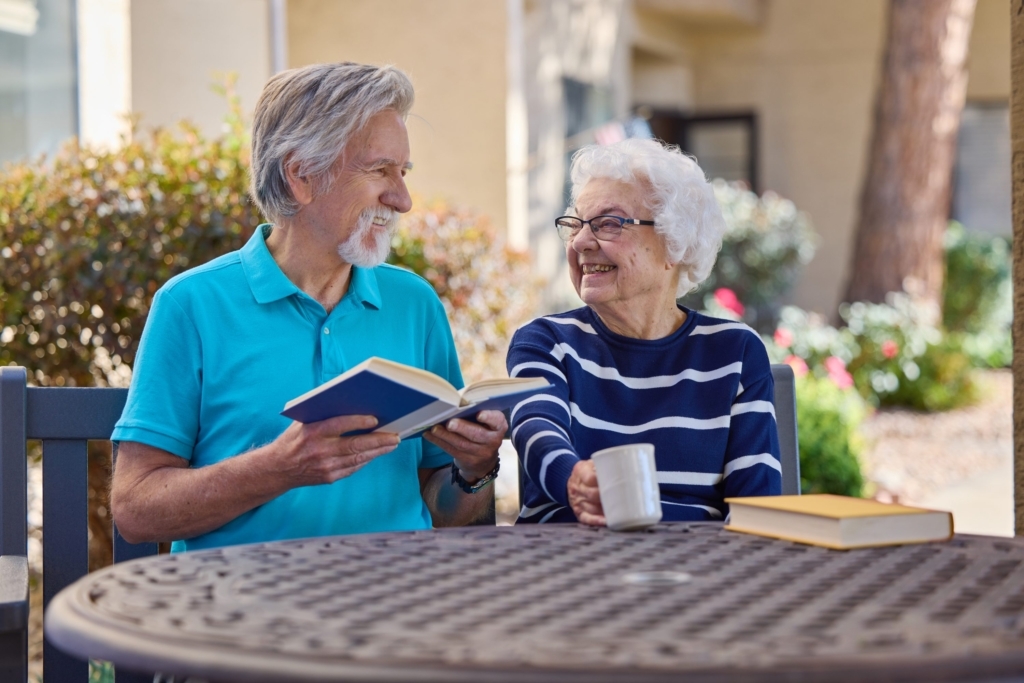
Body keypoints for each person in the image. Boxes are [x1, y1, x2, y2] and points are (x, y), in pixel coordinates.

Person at [110, 63, 506, 552]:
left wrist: (474, 468)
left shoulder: (414, 304)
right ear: (301, 176)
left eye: (402, 173)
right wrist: (277, 469)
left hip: (398, 605)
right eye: (379, 170)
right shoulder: (191, 305)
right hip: (239, 613)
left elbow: (445, 514)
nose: (402, 200)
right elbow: (135, 510)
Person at [506, 138, 781, 526]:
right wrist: (575, 481)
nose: (581, 242)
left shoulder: (733, 353)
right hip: (566, 566)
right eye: (575, 225)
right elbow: (538, 434)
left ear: (674, 243)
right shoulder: (547, 343)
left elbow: (758, 510)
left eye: (608, 224)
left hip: (697, 572)